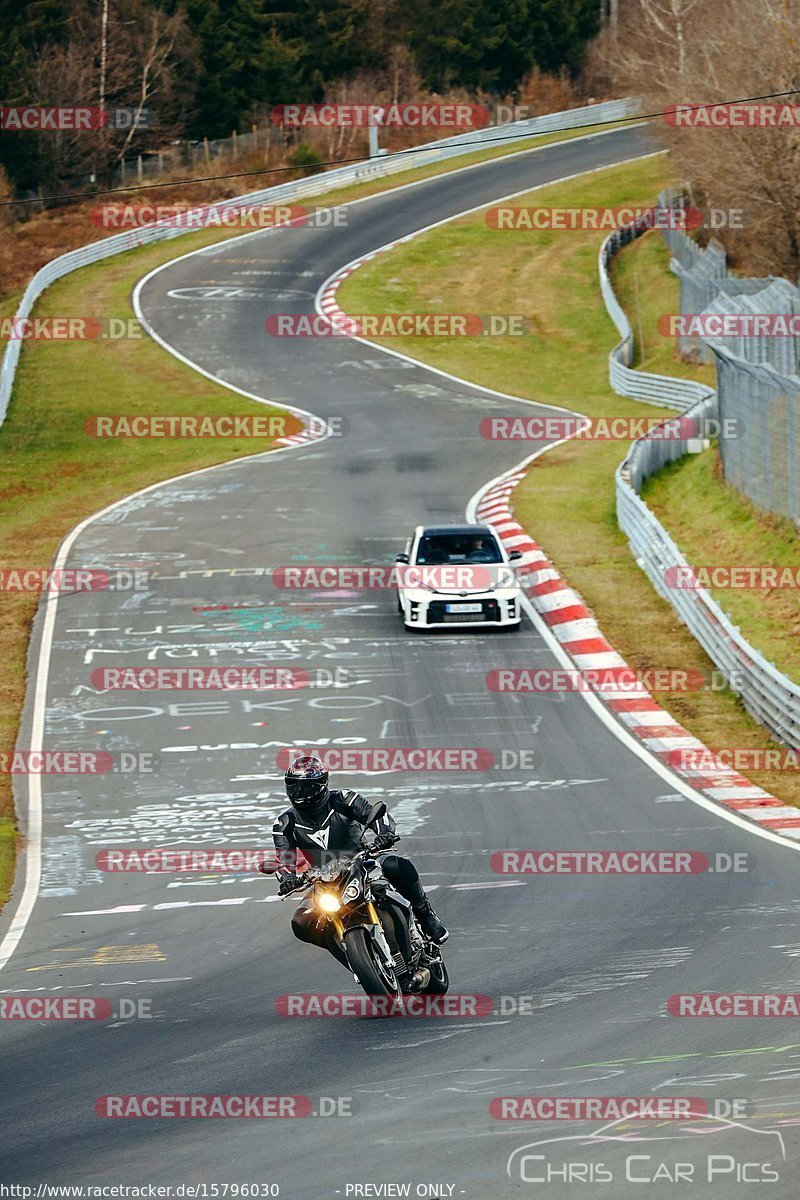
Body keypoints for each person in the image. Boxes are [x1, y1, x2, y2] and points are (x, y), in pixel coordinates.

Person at [272, 754, 448, 966]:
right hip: (324, 880)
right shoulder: (284, 822)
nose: (299, 792)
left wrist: (385, 833)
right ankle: (352, 957)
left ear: (320, 785)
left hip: (362, 860)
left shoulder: (343, 798)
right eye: (293, 785)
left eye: (305, 787)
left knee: (396, 865)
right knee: (301, 922)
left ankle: (426, 915)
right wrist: (288, 879)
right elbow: (284, 858)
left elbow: (376, 815)